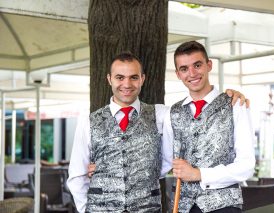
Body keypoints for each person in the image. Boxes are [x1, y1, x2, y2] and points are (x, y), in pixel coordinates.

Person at [67, 51, 248, 213]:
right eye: (120, 77)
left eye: (134, 77)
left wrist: (231, 95)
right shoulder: (88, 121)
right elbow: (76, 175)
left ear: (142, 79)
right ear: (109, 79)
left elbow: (196, 108)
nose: (127, 84)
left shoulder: (163, 114)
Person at [162, 41, 255, 213]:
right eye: (184, 69)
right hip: (182, 206)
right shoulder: (171, 112)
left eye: (197, 65)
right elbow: (165, 162)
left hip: (223, 207)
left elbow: (246, 165)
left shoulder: (236, 105)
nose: (192, 73)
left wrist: (200, 174)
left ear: (209, 65)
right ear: (178, 74)